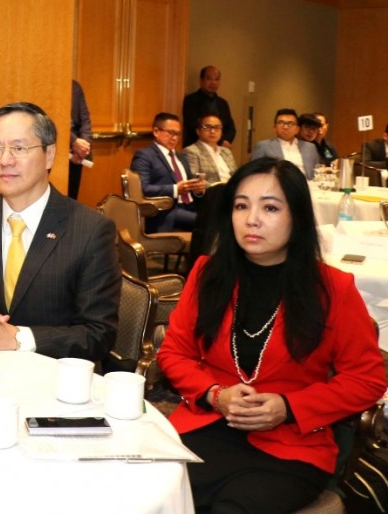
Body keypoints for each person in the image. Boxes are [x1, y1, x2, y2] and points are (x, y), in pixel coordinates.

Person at [158, 158, 386, 512]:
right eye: (241, 205)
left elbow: (367, 378)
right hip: (206, 428)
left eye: (270, 207)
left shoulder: (332, 289)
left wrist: (289, 407)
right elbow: (174, 353)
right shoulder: (208, 274)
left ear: (296, 217)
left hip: (290, 447)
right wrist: (215, 395)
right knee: (153, 497)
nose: (252, 219)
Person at [0, 102, 120, 361]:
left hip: (54, 379)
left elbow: (97, 335)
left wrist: (18, 339)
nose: (4, 160)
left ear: (49, 155)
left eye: (19, 148)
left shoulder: (90, 230)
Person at [131, 112, 207, 232]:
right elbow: (142, 189)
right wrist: (176, 189)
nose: (175, 138)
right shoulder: (144, 155)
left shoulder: (181, 157)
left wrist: (198, 189)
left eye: (178, 134)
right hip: (168, 211)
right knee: (208, 223)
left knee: (220, 217)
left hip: (191, 206)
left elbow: (190, 185)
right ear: (156, 132)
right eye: (171, 133)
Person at [252, 109, 319, 179]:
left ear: (297, 129)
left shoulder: (310, 147)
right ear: (274, 128)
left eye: (290, 124)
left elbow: (317, 172)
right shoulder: (263, 146)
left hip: (307, 187)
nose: (285, 127)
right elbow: (253, 173)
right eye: (280, 123)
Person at [182, 65, 236, 148]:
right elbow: (192, 126)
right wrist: (220, 141)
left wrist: (225, 141)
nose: (213, 82)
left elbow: (231, 127)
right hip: (196, 146)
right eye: (209, 79)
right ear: (201, 80)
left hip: (220, 148)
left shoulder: (222, 103)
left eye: (216, 79)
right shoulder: (191, 100)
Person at [183, 113, 237, 185]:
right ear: (198, 131)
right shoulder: (191, 151)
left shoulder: (226, 151)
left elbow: (236, 175)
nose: (212, 131)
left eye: (217, 127)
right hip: (210, 193)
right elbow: (195, 180)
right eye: (207, 127)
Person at [67, 79, 93, 200]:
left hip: (77, 155)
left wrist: (84, 146)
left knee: (71, 198)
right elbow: (52, 118)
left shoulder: (75, 86)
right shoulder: (47, 82)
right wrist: (73, 141)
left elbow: (85, 119)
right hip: (59, 150)